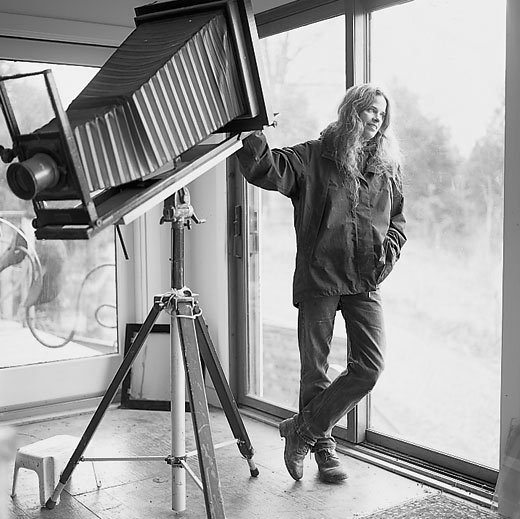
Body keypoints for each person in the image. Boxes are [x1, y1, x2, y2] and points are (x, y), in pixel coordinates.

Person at [236, 83, 406, 483]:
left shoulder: (386, 164)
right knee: (315, 369)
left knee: (370, 367)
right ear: (351, 113)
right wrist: (251, 133)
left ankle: (304, 431)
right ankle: (325, 449)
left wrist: (389, 253)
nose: (376, 120)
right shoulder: (313, 156)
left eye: (382, 114)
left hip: (365, 280)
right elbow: (266, 168)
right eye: (369, 111)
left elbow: (397, 219)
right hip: (320, 277)